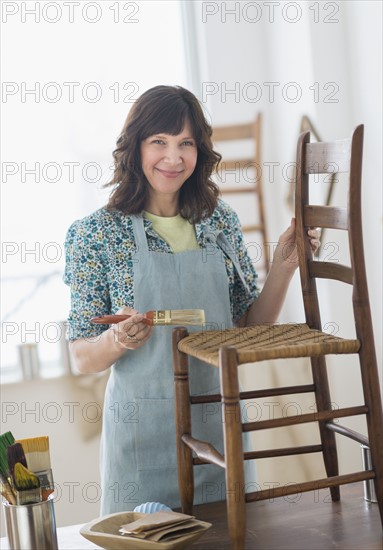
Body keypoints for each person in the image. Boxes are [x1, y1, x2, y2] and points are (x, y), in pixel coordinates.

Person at [64, 85, 320, 515]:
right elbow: (81, 357)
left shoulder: (219, 222)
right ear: (135, 148)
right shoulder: (95, 235)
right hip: (141, 441)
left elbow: (247, 327)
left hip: (218, 431)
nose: (173, 157)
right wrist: (117, 341)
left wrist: (284, 265)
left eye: (186, 143)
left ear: (200, 151)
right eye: (158, 142)